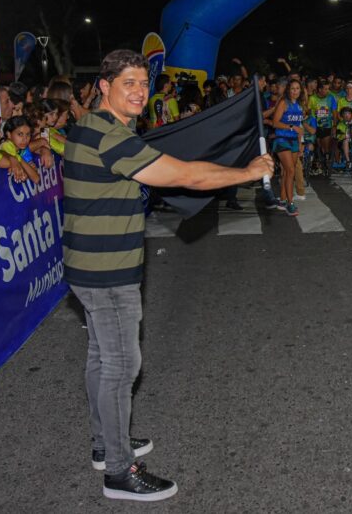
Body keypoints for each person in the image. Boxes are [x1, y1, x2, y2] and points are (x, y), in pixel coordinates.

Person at [62, 50, 273, 502]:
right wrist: (248, 172)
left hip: (89, 262)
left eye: (143, 83)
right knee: (122, 365)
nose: (139, 92)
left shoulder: (92, 127)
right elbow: (185, 176)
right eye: (128, 84)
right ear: (104, 86)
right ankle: (119, 471)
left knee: (102, 358)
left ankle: (106, 443)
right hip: (106, 268)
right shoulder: (110, 138)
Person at [271, 79, 304, 216]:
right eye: (292, 89)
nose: (295, 91)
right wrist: (291, 127)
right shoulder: (284, 103)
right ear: (288, 90)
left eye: (297, 88)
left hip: (294, 142)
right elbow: (275, 123)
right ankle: (290, 204)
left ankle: (283, 199)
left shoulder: (300, 106)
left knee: (286, 172)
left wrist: (301, 143)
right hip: (282, 140)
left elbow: (300, 128)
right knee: (291, 171)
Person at [308, 82, 337, 177]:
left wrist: (334, 126)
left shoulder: (331, 98)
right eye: (325, 89)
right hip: (315, 126)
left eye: (328, 89)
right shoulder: (312, 98)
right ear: (319, 89)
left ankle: (326, 163)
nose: (327, 91)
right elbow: (308, 112)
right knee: (318, 145)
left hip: (327, 126)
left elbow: (334, 113)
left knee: (326, 147)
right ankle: (317, 164)